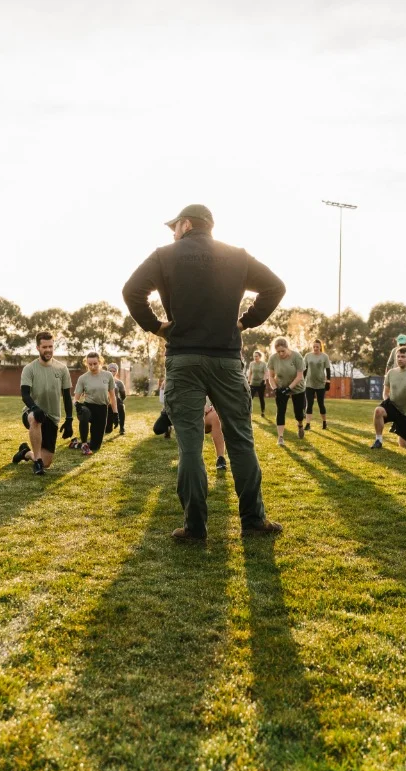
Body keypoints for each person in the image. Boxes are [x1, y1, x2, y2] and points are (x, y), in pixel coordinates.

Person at [123, 203, 284, 541]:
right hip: (226, 359)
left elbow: (131, 291)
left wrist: (157, 327)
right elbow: (275, 287)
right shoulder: (237, 255)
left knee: (191, 448)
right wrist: (244, 322)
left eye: (174, 228)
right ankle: (253, 520)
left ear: (185, 224)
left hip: (183, 359)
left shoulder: (165, 255)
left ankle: (195, 527)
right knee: (241, 440)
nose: (172, 234)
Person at [11, 331, 74, 475]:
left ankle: (26, 453)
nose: (48, 350)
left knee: (47, 462)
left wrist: (69, 419)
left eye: (50, 347)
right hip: (31, 412)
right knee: (36, 418)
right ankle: (37, 463)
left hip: (52, 417)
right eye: (44, 347)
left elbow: (66, 395)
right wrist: (34, 407)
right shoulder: (29, 369)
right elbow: (25, 394)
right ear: (38, 348)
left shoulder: (62, 369)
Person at [371, 346, 406, 449]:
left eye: (403, 356)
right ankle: (378, 440)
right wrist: (387, 400)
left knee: (404, 445)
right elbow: (385, 392)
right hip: (392, 407)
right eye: (398, 356)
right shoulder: (390, 373)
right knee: (378, 410)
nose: (400, 359)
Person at [71, 351, 117, 455]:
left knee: (96, 446)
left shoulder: (108, 375)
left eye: (95, 363)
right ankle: (83, 444)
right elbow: (76, 398)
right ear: (86, 364)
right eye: (90, 364)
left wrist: (115, 413)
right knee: (84, 413)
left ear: (100, 362)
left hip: (102, 409)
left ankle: (75, 444)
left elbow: (112, 396)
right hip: (88, 407)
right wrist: (77, 404)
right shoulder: (83, 378)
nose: (92, 366)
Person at [268, 337, 306, 445]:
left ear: (287, 348)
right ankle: (280, 437)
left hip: (297, 388)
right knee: (280, 411)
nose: (280, 354)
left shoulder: (297, 357)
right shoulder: (273, 359)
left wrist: (288, 388)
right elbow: (270, 377)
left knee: (298, 413)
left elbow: (299, 376)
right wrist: (275, 389)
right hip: (281, 387)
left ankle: (300, 425)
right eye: (278, 351)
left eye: (282, 351)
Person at [303, 339, 331, 431]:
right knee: (309, 403)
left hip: (320, 383)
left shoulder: (324, 357)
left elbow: (328, 370)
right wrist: (302, 380)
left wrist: (328, 381)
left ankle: (324, 422)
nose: (315, 348)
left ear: (320, 347)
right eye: (314, 347)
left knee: (321, 404)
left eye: (317, 347)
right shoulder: (308, 356)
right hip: (309, 383)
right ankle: (307, 424)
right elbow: (304, 369)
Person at [204, 398, 228, 471]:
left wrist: (215, 406)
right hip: (190, 409)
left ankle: (220, 458)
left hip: (207, 412)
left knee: (216, 416)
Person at [246, 350, 268, 417]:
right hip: (253, 383)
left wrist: (263, 380)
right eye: (254, 356)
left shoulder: (263, 364)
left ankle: (262, 412)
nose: (255, 357)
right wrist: (248, 381)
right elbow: (250, 373)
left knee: (261, 398)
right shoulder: (252, 364)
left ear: (260, 356)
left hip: (261, 384)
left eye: (256, 356)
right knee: (250, 398)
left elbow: (266, 373)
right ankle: (248, 412)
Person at [108, 363, 127, 435]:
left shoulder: (119, 383)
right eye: (110, 371)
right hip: (106, 403)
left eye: (114, 371)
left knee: (121, 406)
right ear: (107, 371)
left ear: (116, 372)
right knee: (108, 430)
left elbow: (123, 395)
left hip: (116, 402)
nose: (112, 373)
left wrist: (119, 402)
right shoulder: (103, 381)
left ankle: (122, 428)